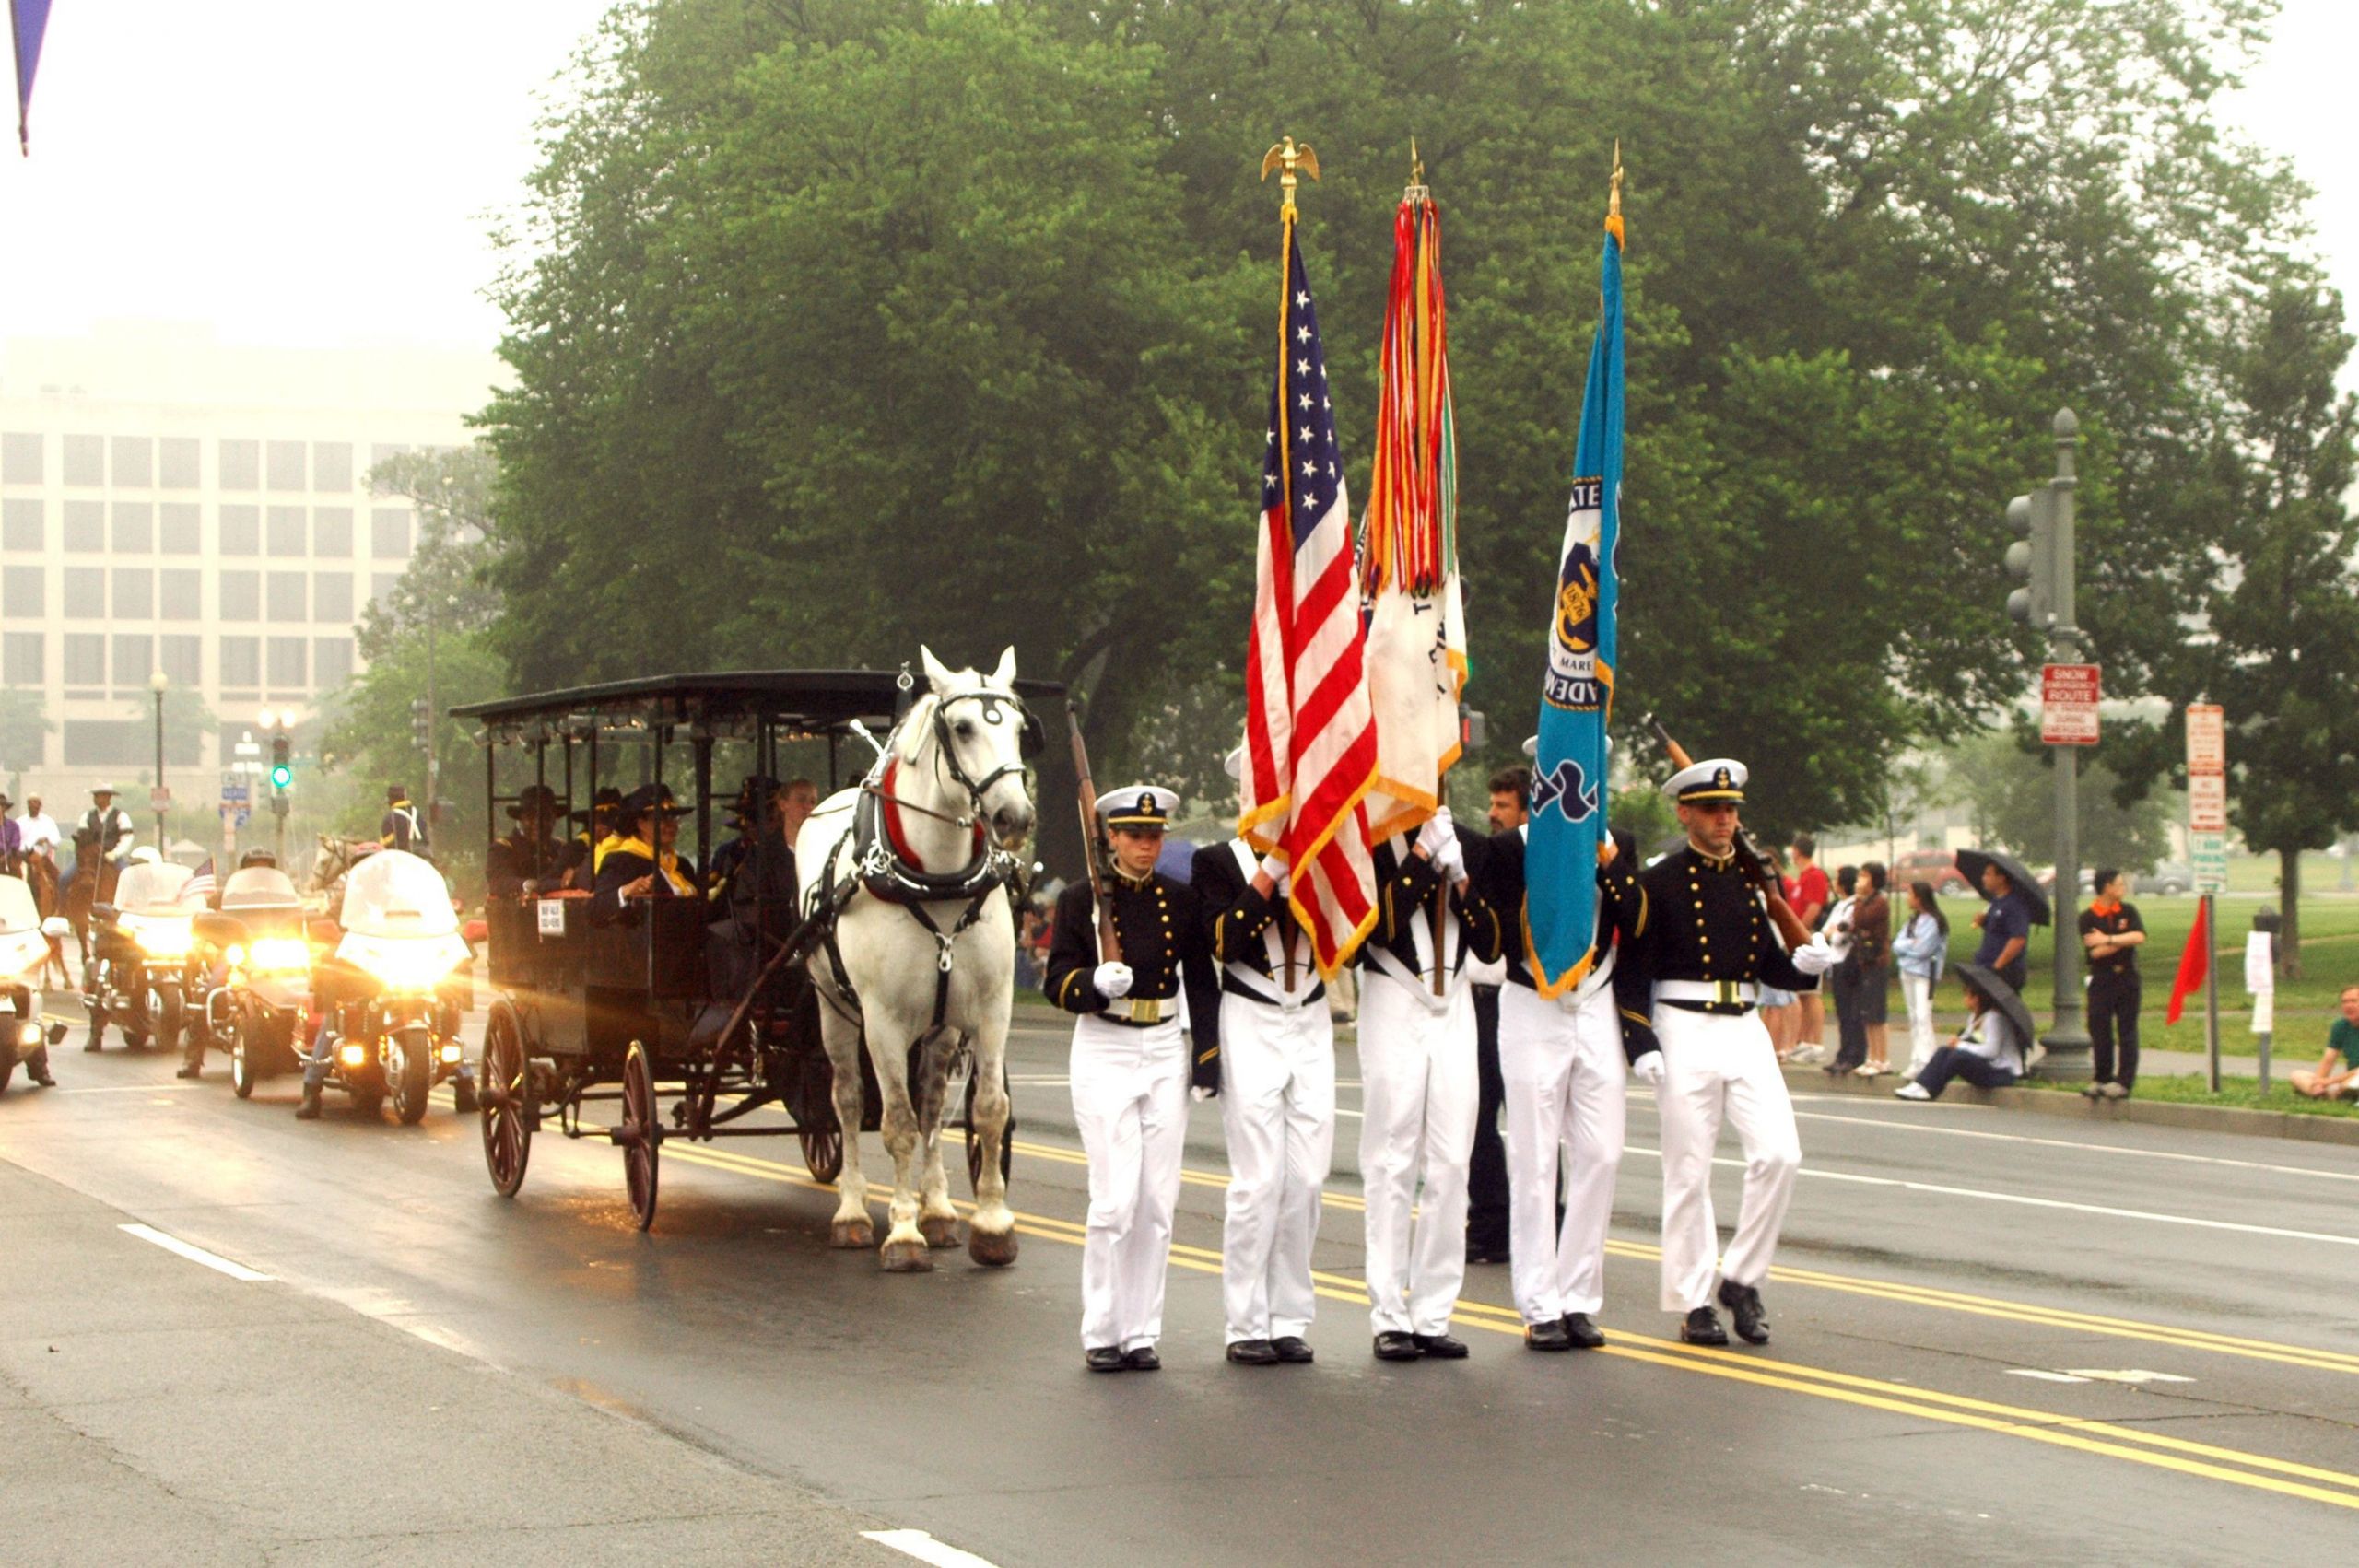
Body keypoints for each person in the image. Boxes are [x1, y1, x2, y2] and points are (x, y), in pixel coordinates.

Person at [1637, 759, 1837, 1347]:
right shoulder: (1663, 879)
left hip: (1745, 1024)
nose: (1724, 819)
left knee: (1780, 1153)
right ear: (1685, 813)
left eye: (1730, 811)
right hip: (1682, 1023)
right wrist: (1639, 1036)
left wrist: (1805, 966)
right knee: (1688, 1170)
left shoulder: (1753, 880)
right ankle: (1694, 1298)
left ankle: (1743, 1278)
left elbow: (1765, 964)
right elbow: (1638, 965)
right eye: (1712, 810)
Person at [1474, 790, 1649, 1353]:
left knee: (1601, 1153)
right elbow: (1496, 935)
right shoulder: (1509, 849)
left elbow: (1640, 921)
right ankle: (1540, 1303)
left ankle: (1579, 1297)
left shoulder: (1615, 843)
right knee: (1535, 1159)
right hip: (1534, 1003)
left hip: (1595, 1001)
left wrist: (1608, 865)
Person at [1044, 785, 1208, 1372]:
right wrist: (1092, 984)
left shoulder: (1180, 899)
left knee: (1157, 1203)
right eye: (1135, 835)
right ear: (1110, 837)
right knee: (1114, 1201)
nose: (1146, 845)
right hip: (1106, 1045)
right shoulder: (1080, 899)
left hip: (1164, 1044)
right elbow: (1055, 978)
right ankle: (1102, 1329)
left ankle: (1141, 1330)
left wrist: (1206, 1055)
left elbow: (1200, 980)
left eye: (1154, 835)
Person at [1194, 747, 1334, 1367]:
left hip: (1310, 1015)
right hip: (1250, 1013)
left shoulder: (1321, 856)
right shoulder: (1216, 862)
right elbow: (1225, 939)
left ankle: (1289, 1315)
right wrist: (1267, 876)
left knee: (1305, 1178)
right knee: (1258, 1181)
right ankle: (1246, 1320)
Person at [1357, 802, 1502, 1362]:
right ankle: (1389, 1312)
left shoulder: (1469, 843)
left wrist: (1461, 875)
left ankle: (1433, 1311)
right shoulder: (1370, 843)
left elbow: (1491, 944)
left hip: (1456, 1004)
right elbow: (1379, 928)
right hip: (1395, 995)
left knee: (1451, 1162)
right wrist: (1420, 859)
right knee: (1392, 1159)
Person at [1465, 764, 1530, 1266]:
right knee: (1479, 1117)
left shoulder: (1526, 859)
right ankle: (1491, 1223)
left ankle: (1538, 1221)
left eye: (1502, 806)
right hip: (1480, 1004)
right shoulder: (1489, 859)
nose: (1491, 815)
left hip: (1520, 998)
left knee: (1533, 1120)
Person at [1895, 967, 2025, 1100]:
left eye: (1968, 995)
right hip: (1989, 1065)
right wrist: (1957, 1042)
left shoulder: (1994, 1018)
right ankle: (1920, 1084)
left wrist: (1960, 1045)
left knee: (1957, 1057)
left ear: (1977, 998)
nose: (1965, 999)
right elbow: (1969, 1039)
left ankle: (1931, 1089)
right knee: (1944, 1051)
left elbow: (1991, 1051)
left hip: (2002, 1073)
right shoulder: (1975, 1018)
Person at [2079, 868, 2145, 1101]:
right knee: (2100, 1028)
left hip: (2127, 977)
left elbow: (2139, 937)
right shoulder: (2088, 917)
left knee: (2127, 1030)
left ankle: (2124, 1081)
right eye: (2119, 883)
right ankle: (2102, 1077)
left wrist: (2108, 939)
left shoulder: (2128, 911)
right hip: (2102, 978)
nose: (2123, 887)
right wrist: (2122, 940)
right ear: (2107, 886)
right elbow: (2094, 952)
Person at [593, 784, 699, 919]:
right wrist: (625, 892)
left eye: (673, 817)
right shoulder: (622, 861)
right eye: (661, 818)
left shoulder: (682, 866)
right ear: (640, 823)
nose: (670, 824)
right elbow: (595, 909)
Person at [1891, 881, 1949, 1076]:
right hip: (1907, 971)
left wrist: (1909, 947)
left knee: (1923, 1016)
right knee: (1913, 1016)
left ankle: (1927, 1060)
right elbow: (1896, 945)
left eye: (1910, 894)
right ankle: (1918, 1058)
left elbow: (1924, 949)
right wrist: (1910, 944)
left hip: (1925, 974)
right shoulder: (1913, 920)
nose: (1908, 898)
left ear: (1920, 897)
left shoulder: (1935, 921)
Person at [1788, 835, 1831, 1063]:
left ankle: (1815, 1041)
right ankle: (1804, 1040)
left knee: (1812, 993)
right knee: (1803, 993)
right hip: (1799, 939)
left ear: (1797, 851)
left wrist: (1799, 932)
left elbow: (1813, 908)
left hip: (1808, 938)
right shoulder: (1803, 877)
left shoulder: (1814, 876)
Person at [1755, 844, 1801, 1061]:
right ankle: (1781, 1044)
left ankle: (1772, 1046)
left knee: (1774, 1004)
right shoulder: (1774, 889)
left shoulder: (1766, 892)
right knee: (1776, 1002)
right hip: (1777, 946)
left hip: (1772, 947)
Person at [485, 785, 569, 898]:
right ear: (521, 819)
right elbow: (499, 881)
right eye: (531, 816)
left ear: (553, 819)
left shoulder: (561, 848)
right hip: (514, 913)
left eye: (545, 817)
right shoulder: (504, 848)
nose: (537, 823)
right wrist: (528, 885)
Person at [1850, 863, 1893, 1076]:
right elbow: (1854, 925)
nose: (1860, 880)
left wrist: (1858, 899)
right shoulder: (1866, 901)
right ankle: (1872, 1057)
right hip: (1864, 960)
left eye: (1864, 876)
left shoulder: (1879, 902)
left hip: (1877, 960)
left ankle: (1882, 1058)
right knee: (1867, 1011)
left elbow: (1861, 919)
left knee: (1877, 1012)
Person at [1825, 866, 1867, 1074]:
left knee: (1852, 1011)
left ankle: (1854, 1054)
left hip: (1847, 963)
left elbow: (1839, 936)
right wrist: (1831, 932)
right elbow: (1826, 931)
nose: (1833, 882)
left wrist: (1832, 932)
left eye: (1836, 878)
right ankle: (1843, 1052)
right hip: (1835, 961)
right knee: (1842, 1011)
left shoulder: (1852, 906)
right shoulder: (1839, 905)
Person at [1971, 860, 2034, 992]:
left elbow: (2018, 939)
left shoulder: (2014, 905)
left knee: (2003, 1010)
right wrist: (1984, 922)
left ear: (2001, 878)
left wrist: (1997, 967)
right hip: (1986, 965)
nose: (1984, 878)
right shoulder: (1995, 901)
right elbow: (1998, 930)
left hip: (2005, 971)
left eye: (1988, 874)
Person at [2290, 986, 2359, 1100]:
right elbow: (2328, 1059)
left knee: (2353, 1082)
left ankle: (2340, 1093)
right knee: (2297, 1075)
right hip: (2346, 1080)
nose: (2348, 1006)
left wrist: (2330, 1081)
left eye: (2354, 1001)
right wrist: (2319, 1082)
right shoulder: (2340, 1026)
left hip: (2354, 1077)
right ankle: (2322, 1093)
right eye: (2345, 1002)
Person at [380, 785, 426, 856]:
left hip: (400, 857)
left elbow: (384, 845)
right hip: (424, 856)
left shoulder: (389, 818)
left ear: (390, 800)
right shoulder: (419, 815)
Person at [17, 794, 61, 862]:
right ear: (27, 805)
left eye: (35, 802)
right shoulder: (19, 822)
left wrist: (47, 841)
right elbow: (14, 843)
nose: (32, 804)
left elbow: (57, 842)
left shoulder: (48, 821)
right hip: (23, 859)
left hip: (43, 859)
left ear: (40, 805)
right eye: (30, 802)